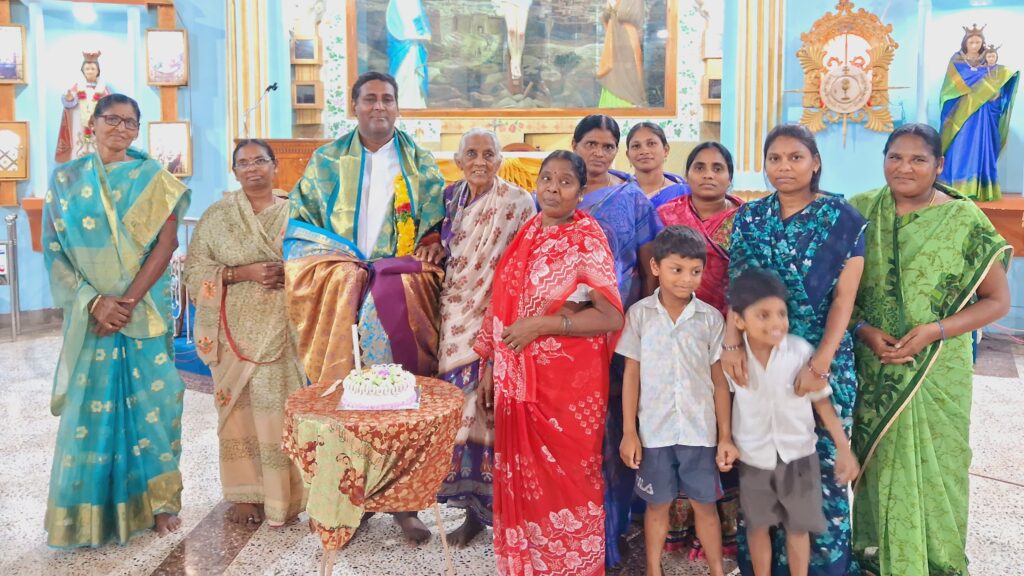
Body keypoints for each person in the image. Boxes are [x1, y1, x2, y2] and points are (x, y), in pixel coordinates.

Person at [285, 71, 445, 543]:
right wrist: (343, 269)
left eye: (388, 99)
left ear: (398, 107)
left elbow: (437, 225)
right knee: (346, 400)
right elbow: (299, 226)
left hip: (397, 296)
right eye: (370, 99)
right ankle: (346, 507)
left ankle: (405, 505)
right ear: (353, 106)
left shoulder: (420, 164)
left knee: (402, 398)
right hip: (340, 291)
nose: (379, 106)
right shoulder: (326, 161)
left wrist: (434, 239)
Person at [848, 123, 1012, 576]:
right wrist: (863, 330)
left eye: (919, 159)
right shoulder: (860, 211)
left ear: (938, 166)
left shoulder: (964, 219)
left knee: (938, 464)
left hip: (937, 366)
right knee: (880, 462)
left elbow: (997, 302)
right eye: (895, 157)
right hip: (875, 363)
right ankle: (879, 556)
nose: (905, 167)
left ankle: (936, 563)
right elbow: (839, 295)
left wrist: (935, 330)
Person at [43, 93, 190, 547]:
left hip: (139, 311)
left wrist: (123, 302)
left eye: (130, 122)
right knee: (91, 412)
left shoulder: (154, 179)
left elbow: (165, 246)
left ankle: (159, 505)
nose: (121, 128)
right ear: (93, 122)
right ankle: (90, 513)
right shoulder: (65, 181)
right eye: (113, 119)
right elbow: (55, 252)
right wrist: (92, 302)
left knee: (155, 407)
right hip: (92, 317)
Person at [722, 124, 866, 576]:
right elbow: (739, 289)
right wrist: (731, 343)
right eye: (775, 159)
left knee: (818, 470)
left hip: (821, 359)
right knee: (761, 461)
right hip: (759, 356)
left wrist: (820, 364)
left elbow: (845, 299)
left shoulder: (843, 219)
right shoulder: (749, 217)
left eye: (795, 157)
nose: (784, 167)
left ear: (815, 162)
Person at [476, 150, 624, 575]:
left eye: (565, 182)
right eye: (546, 179)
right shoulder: (527, 232)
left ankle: (574, 567)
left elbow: (610, 315)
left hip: (566, 391)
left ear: (580, 191)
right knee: (523, 480)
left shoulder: (586, 237)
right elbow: (502, 306)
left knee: (571, 481)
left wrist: (543, 325)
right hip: (514, 382)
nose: (553, 189)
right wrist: (490, 365)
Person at [184, 139, 306, 527]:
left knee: (281, 411)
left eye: (260, 161)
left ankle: (289, 495)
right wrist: (241, 273)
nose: (253, 169)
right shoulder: (217, 216)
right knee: (237, 412)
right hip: (232, 332)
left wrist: (292, 274)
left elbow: (321, 264)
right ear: (234, 172)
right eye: (244, 163)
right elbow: (193, 273)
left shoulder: (297, 214)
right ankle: (244, 494)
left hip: (284, 330)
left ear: (275, 167)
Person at [720, 268, 860, 576]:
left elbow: (821, 402)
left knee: (797, 530)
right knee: (757, 528)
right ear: (739, 320)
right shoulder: (734, 359)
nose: (776, 323)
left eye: (781, 314)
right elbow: (721, 395)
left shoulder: (799, 352)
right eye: (764, 315)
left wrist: (842, 448)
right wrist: (725, 438)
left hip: (799, 458)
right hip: (754, 458)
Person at [435, 128, 536, 546]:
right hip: (453, 320)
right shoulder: (447, 198)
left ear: (499, 160)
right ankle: (469, 511)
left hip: (495, 322)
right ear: (458, 160)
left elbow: (524, 267)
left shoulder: (517, 202)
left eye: (488, 154)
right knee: (460, 418)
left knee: (492, 415)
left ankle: (499, 511)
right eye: (471, 153)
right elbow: (435, 244)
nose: (480, 161)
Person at [571, 113, 662, 568]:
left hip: (621, 332)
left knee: (617, 430)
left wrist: (642, 329)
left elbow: (649, 272)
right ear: (575, 144)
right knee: (577, 435)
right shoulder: (556, 194)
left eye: (608, 146)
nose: (599, 154)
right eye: (591, 144)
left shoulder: (632, 200)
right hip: (566, 337)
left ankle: (616, 528)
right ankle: (576, 530)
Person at [617, 225, 730, 576]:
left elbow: (720, 382)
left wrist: (725, 436)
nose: (686, 279)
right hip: (654, 431)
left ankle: (716, 569)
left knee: (705, 506)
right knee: (656, 506)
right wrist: (629, 432)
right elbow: (631, 376)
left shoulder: (711, 319)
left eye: (695, 271)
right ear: (655, 268)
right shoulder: (639, 315)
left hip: (699, 431)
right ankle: (653, 569)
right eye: (676, 269)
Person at [654, 142, 743, 558]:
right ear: (686, 174)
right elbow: (648, 274)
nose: (709, 174)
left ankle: (720, 534)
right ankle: (677, 529)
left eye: (718, 168)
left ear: (730, 175)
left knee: (718, 428)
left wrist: (734, 335)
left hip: (726, 336)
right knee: (677, 427)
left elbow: (748, 280)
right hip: (673, 334)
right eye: (700, 167)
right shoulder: (666, 216)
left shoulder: (745, 220)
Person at [938, 25, 1019, 201]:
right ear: (965, 43)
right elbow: (948, 90)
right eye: (971, 41)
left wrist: (996, 96)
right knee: (960, 148)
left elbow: (997, 81)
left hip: (982, 115)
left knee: (981, 148)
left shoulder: (988, 64)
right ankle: (957, 187)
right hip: (962, 115)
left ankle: (980, 189)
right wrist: (969, 92)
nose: (975, 45)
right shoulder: (957, 62)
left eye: (978, 41)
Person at [55, 51, 111, 163]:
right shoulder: (78, 87)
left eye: (93, 69)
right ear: (83, 71)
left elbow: (110, 106)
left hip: (97, 124)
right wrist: (69, 98)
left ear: (98, 71)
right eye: (87, 69)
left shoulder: (102, 89)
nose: (90, 71)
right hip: (78, 123)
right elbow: (68, 103)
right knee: (78, 148)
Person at [625, 122, 690, 208]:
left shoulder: (684, 194)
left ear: (666, 150)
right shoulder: (618, 195)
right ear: (628, 155)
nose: (644, 151)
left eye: (651, 143)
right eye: (636, 146)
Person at [598, 0, 647, 107]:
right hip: (613, 41)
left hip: (625, 40)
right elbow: (637, 58)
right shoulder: (626, 25)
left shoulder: (628, 8)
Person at [386, 0, 431, 108]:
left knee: (414, 79)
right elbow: (397, 25)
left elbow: (419, 19)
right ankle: (401, 105)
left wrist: (422, 33)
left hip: (414, 46)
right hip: (405, 47)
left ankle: (416, 104)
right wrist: (416, 34)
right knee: (403, 75)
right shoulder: (397, 3)